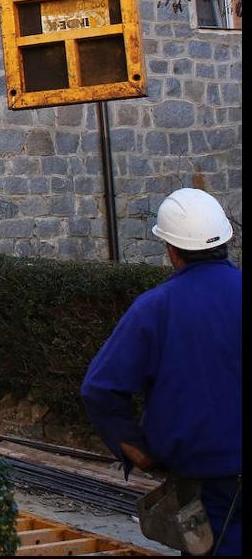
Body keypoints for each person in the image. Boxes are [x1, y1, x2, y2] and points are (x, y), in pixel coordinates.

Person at [81, 188, 242, 555]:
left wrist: (138, 451)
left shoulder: (156, 308)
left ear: (171, 249)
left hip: (204, 489)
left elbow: (99, 389)